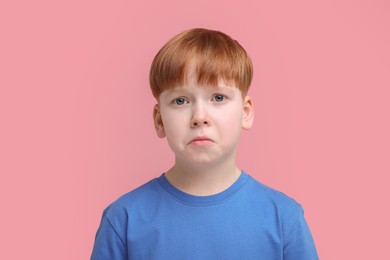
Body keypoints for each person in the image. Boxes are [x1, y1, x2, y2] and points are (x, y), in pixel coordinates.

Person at [91, 28, 318, 259]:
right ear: (159, 120)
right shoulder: (123, 220)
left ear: (246, 112)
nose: (199, 116)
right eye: (180, 100)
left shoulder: (284, 219)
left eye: (218, 98)